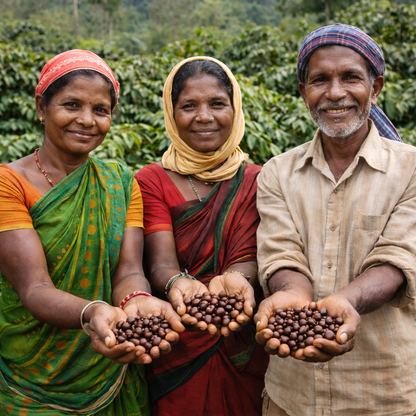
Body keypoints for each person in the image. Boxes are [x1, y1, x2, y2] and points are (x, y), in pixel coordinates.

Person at [0, 49, 183, 416]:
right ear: (41, 107)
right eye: (71, 105)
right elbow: (35, 288)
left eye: (101, 110)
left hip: (110, 371)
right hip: (33, 380)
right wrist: (94, 311)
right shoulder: (8, 183)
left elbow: (129, 270)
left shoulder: (119, 182)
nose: (86, 120)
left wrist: (134, 301)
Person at [255, 24, 416, 416]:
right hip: (292, 394)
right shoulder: (277, 172)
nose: (335, 92)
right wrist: (290, 295)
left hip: (384, 393)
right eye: (319, 80)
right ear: (303, 92)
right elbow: (281, 254)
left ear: (375, 88)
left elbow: (398, 257)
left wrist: (346, 301)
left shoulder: (411, 168)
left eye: (350, 78)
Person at [135, 56, 269, 416]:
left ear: (235, 107)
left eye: (217, 104)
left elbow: (253, 252)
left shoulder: (260, 179)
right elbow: (161, 261)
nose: (204, 116)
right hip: (177, 343)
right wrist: (179, 282)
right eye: (188, 106)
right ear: (171, 112)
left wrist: (237, 278)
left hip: (242, 345)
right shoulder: (152, 181)